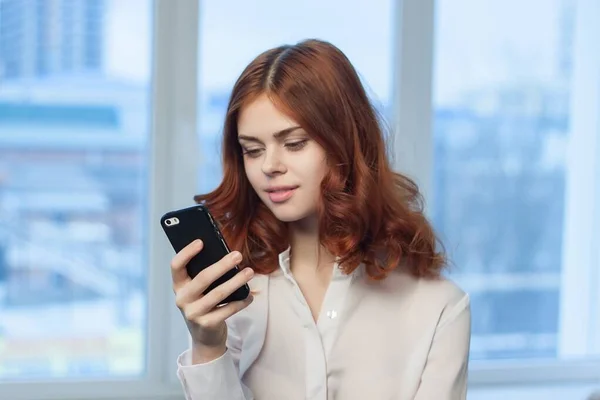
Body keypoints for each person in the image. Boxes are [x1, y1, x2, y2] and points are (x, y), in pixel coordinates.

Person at [171, 39, 471, 400]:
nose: (270, 166)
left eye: (295, 143)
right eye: (252, 150)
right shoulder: (236, 299)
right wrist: (207, 347)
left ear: (346, 142)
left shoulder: (438, 308)